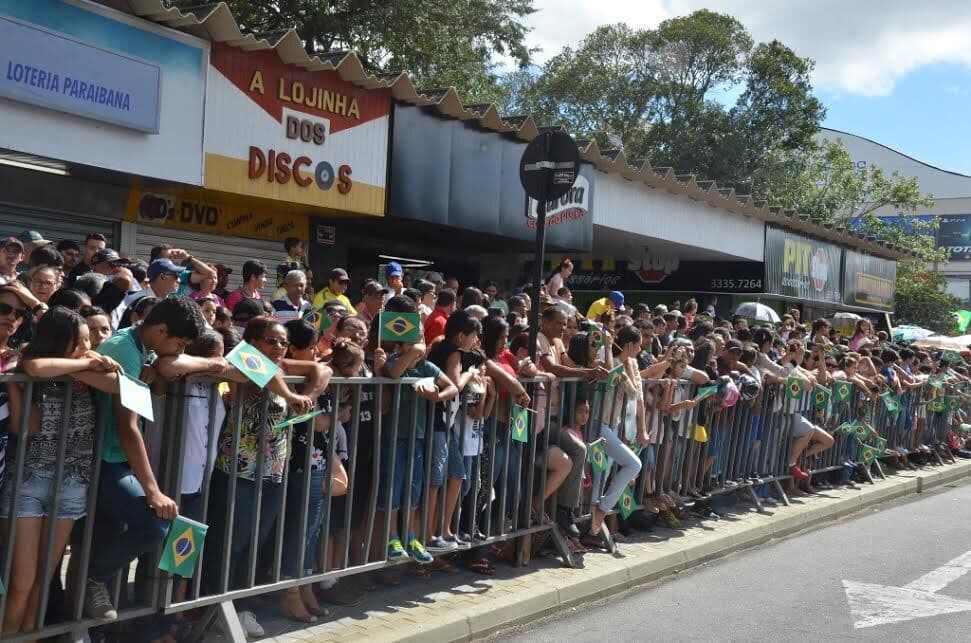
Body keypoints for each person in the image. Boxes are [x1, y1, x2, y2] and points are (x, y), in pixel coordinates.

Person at [83, 298, 206, 621]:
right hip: (104, 460)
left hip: (115, 460)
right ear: (161, 329)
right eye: (178, 344)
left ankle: (95, 614)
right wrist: (152, 491)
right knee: (153, 525)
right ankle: (91, 579)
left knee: (114, 537)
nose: (177, 353)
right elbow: (128, 428)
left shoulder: (142, 347)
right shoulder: (124, 349)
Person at [0, 307, 120, 638]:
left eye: (88, 340)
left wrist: (83, 364)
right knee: (21, 584)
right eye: (80, 340)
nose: (88, 345)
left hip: (72, 482)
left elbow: (115, 384)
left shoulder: (82, 366)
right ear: (59, 339)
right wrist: (85, 364)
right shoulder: (32, 360)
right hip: (29, 479)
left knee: (42, 581)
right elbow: (37, 367)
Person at [377, 296, 458, 564]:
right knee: (393, 487)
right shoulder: (391, 358)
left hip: (418, 435)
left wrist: (437, 395)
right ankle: (391, 538)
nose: (421, 340)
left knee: (412, 488)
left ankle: (410, 535)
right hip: (394, 436)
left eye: (421, 335)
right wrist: (411, 352)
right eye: (416, 335)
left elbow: (452, 386)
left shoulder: (427, 366)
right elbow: (395, 373)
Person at [111, 259, 185, 329]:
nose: (179, 280)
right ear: (162, 277)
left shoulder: (172, 304)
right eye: (176, 276)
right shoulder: (134, 300)